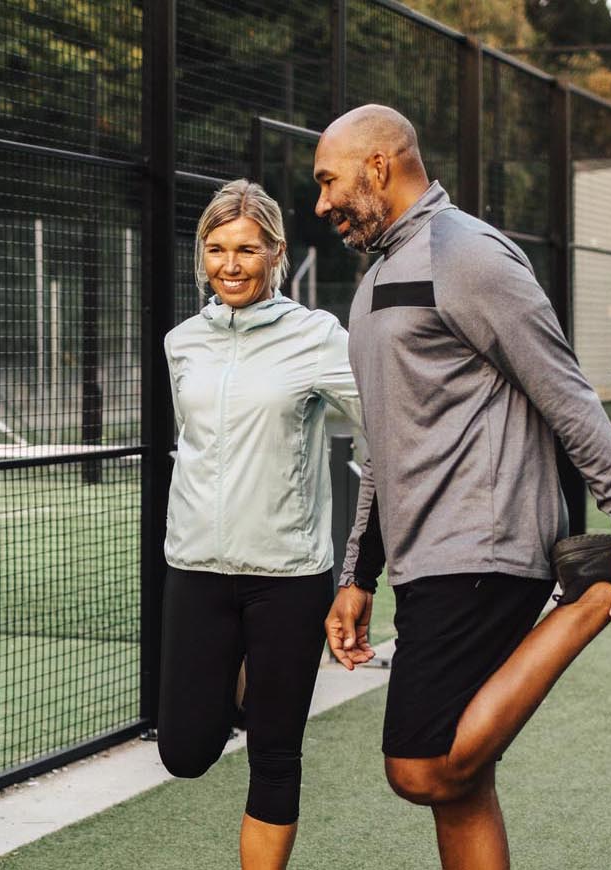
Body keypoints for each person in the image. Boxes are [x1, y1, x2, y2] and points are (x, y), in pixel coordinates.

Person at [315, 105, 611, 869]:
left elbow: (568, 397)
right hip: (425, 555)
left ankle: (587, 598)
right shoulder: (379, 273)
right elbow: (384, 438)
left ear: (377, 164)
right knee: (462, 784)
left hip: (482, 544)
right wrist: (359, 573)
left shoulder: (468, 255)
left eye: (327, 180)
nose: (320, 203)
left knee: (421, 768)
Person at [158, 179, 360, 870]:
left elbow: (379, 430)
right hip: (196, 569)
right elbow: (191, 442)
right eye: (215, 249)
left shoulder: (316, 336)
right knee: (183, 752)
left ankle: (268, 678)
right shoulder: (182, 343)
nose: (231, 264)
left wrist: (361, 562)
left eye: (247, 249)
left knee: (275, 755)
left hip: (287, 575)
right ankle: (248, 677)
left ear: (275, 252)